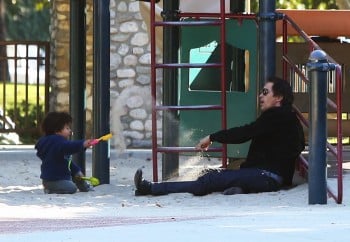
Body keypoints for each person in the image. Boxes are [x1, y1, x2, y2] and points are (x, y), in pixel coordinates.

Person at [134, 76, 305, 196]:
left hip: (267, 176)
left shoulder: (276, 116)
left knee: (209, 179)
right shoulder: (288, 118)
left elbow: (244, 133)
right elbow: (298, 145)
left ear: (279, 97)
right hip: (269, 176)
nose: (260, 95)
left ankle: (150, 188)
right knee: (224, 172)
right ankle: (239, 187)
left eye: (265, 92)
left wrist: (212, 137)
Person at [35, 111, 94, 194]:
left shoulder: (54, 142)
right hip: (53, 180)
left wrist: (77, 171)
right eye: (67, 128)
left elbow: (66, 161)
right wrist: (82, 144)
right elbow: (69, 146)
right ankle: (50, 189)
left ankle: (84, 187)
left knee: (78, 175)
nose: (70, 131)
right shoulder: (56, 141)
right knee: (72, 188)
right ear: (57, 130)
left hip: (57, 178)